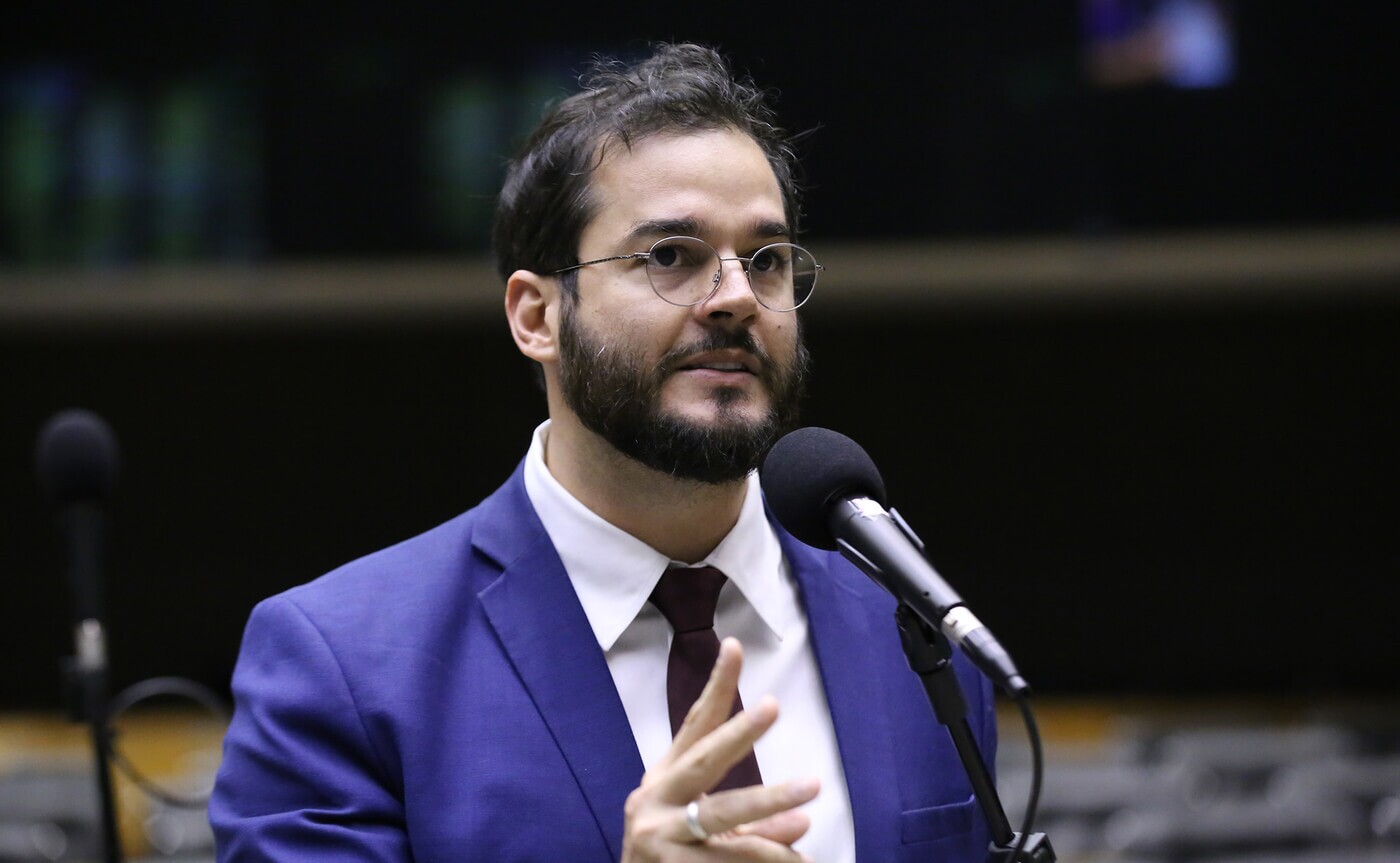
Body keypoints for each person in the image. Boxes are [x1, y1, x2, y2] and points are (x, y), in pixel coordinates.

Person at [210, 43, 996, 862]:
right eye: (670, 257)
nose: (734, 297)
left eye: (765, 260)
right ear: (536, 317)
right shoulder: (344, 664)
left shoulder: (913, 628)